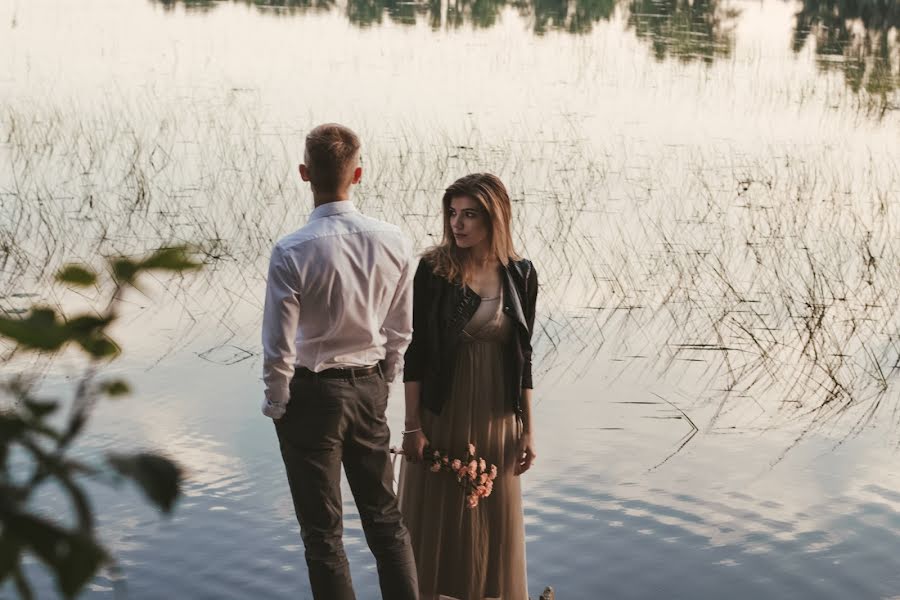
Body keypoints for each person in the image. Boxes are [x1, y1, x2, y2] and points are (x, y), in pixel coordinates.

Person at [261, 123, 419, 600]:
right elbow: (401, 330)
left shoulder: (291, 249)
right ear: (359, 173)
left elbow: (278, 345)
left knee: (323, 533)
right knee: (385, 519)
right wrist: (382, 378)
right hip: (368, 387)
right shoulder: (393, 240)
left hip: (311, 395)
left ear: (305, 173)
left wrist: (276, 402)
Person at [398, 173, 538, 600]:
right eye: (453, 214)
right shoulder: (434, 271)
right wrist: (411, 426)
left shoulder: (521, 274)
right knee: (438, 516)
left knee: (491, 519)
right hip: (444, 408)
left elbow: (524, 357)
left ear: (494, 218)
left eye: (469, 215)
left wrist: (528, 430)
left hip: (497, 414)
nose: (457, 224)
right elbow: (416, 353)